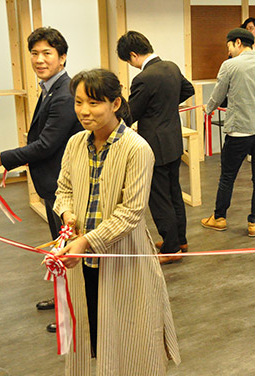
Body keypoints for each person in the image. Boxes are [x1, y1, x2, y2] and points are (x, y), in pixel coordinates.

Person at [55, 69, 180, 375]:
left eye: (94, 103)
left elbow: (131, 213)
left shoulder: (137, 149)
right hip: (82, 262)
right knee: (91, 334)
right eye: (79, 102)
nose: (84, 111)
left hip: (125, 260)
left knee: (131, 339)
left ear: (115, 103)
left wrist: (85, 242)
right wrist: (69, 215)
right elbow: (64, 189)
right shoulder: (74, 144)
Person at [0, 26, 82, 333]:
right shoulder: (49, 87)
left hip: (62, 184)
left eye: (47, 53)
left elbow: (47, 144)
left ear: (62, 57)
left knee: (69, 245)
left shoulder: (64, 92)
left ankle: (73, 304)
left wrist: (5, 159)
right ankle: (63, 295)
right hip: (51, 182)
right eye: (35, 54)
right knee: (60, 243)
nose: (39, 59)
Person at [117, 31, 195, 264]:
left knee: (159, 197)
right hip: (173, 140)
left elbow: (131, 114)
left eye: (129, 61)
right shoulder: (171, 66)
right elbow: (188, 90)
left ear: (133, 55)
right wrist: (165, 106)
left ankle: (171, 248)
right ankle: (180, 240)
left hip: (155, 145)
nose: (131, 65)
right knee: (174, 192)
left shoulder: (143, 78)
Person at [201, 28, 255, 237]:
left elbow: (218, 94)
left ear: (238, 42)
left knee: (227, 177)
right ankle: (254, 223)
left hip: (238, 132)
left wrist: (208, 109)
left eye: (229, 46)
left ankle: (219, 218)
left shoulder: (229, 65)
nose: (228, 51)